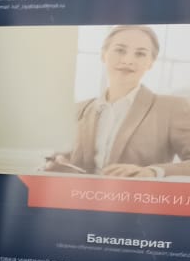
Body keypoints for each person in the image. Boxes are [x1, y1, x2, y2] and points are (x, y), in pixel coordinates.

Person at [45, 25, 190, 177]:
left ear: (151, 63)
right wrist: (56, 164)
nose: (128, 60)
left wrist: (153, 172)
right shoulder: (78, 109)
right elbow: (59, 159)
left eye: (140, 54)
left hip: (137, 192)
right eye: (120, 50)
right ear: (103, 55)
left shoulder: (172, 108)